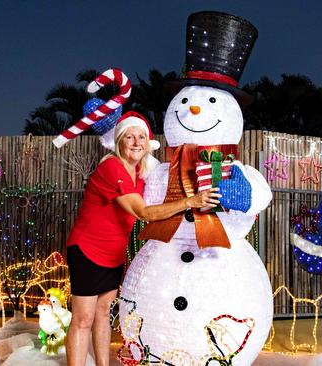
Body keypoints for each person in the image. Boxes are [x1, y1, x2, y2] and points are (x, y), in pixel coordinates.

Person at [65, 111, 220, 366]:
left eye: (141, 137)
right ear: (119, 142)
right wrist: (191, 201)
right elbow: (143, 212)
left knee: (104, 314)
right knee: (83, 319)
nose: (136, 142)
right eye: (129, 137)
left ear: (148, 144)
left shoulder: (140, 173)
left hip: (113, 254)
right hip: (87, 250)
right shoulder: (111, 167)